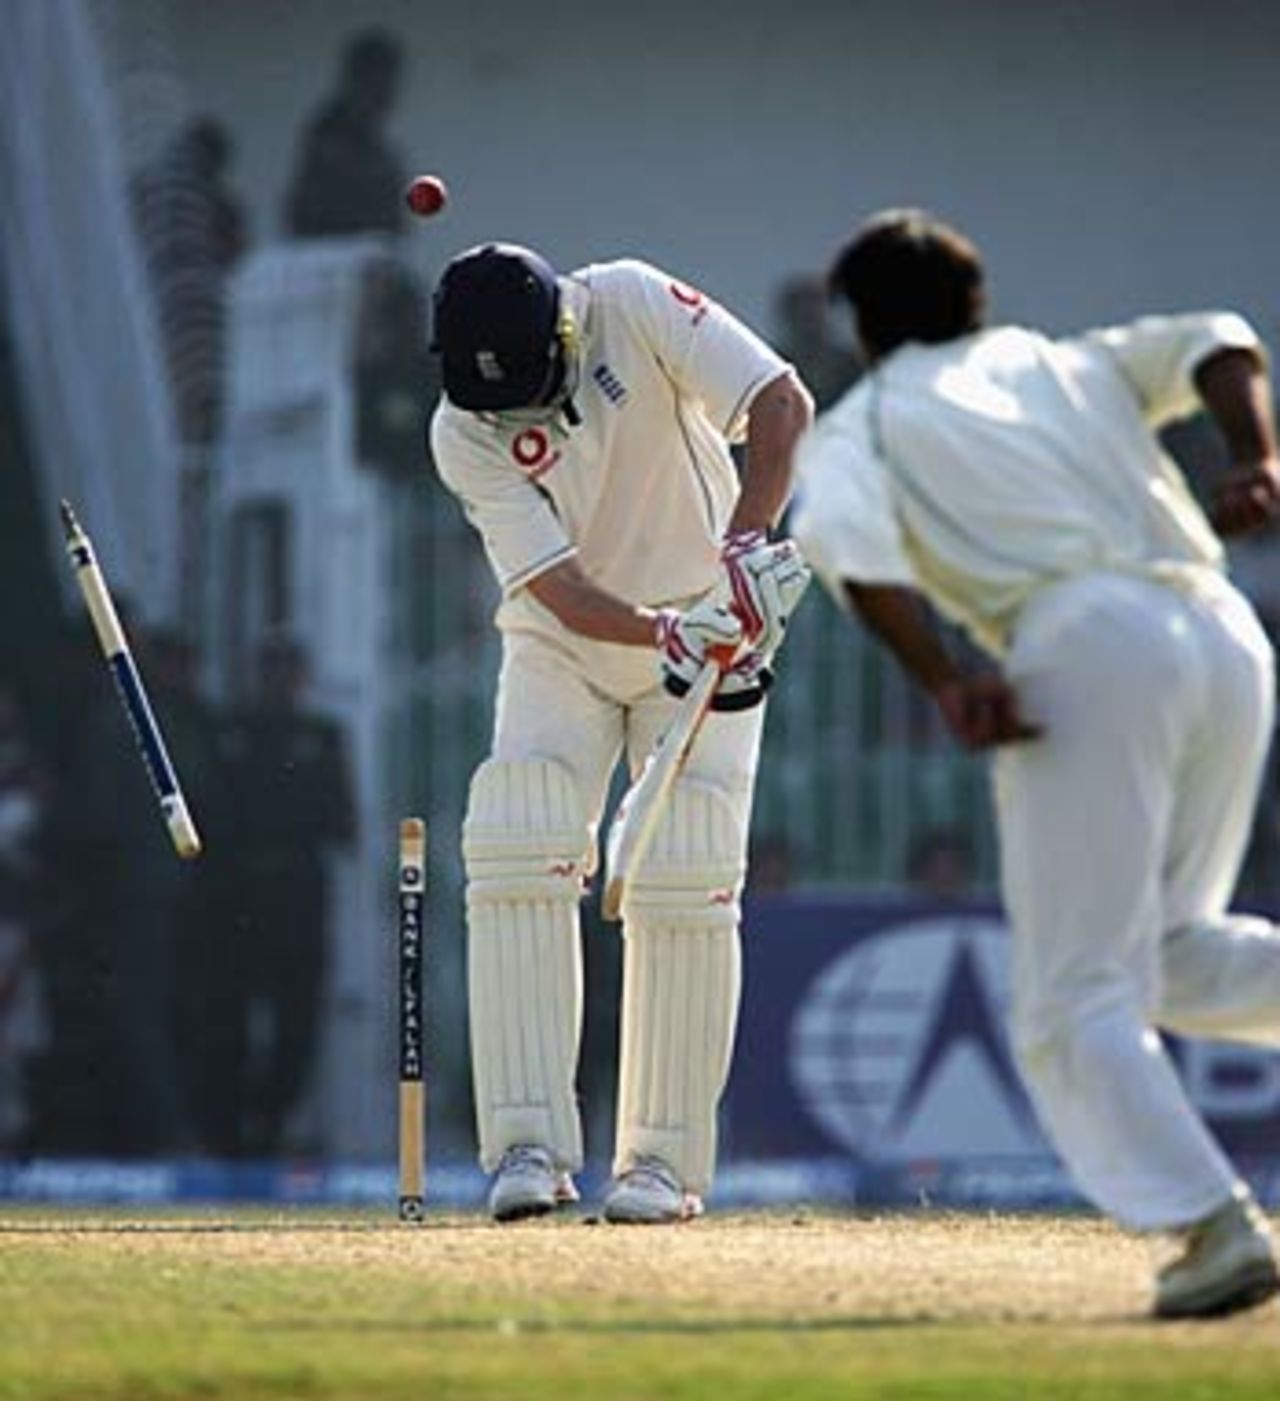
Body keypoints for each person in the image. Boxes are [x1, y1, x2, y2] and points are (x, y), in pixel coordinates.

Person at [791, 209, 1280, 1319]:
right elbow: (1217, 338)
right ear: (974, 299)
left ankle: (1210, 1228)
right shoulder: (1065, 362)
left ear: (860, 325)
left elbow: (850, 555)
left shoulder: (863, 423)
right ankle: (1206, 1220)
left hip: (1089, 643)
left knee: (1069, 998)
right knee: (1171, 954)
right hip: (1225, 631)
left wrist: (942, 681)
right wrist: (1256, 456)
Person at [429, 243, 813, 1223]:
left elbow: (779, 403)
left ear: (562, 331)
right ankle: (526, 1147)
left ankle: (659, 1165)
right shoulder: (460, 434)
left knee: (686, 865)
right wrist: (659, 631)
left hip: (712, 629)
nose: (512, 415)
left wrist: (739, 553)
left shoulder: (631, 304)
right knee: (518, 838)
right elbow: (554, 586)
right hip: (566, 646)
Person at [190, 634, 356, 1158]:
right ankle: (227, 1130)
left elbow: (343, 822)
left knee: (297, 1022)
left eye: (289, 671)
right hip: (236, 896)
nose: (280, 683)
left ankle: (271, 1121)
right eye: (271, 671)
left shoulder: (320, 737)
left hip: (297, 895)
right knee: (226, 1018)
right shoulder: (231, 732)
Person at [284, 29, 407, 239]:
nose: (389, 93)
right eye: (382, 81)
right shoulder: (328, 134)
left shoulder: (377, 141)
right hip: (331, 251)